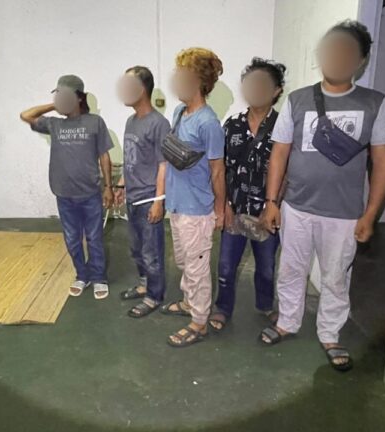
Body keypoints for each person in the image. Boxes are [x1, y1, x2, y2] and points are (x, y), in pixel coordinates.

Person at [260, 20, 385, 372]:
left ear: (361, 60)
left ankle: (330, 333)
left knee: (336, 277)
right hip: (296, 206)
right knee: (291, 269)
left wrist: (370, 214)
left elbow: (383, 161)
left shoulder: (374, 103)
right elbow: (279, 152)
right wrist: (272, 202)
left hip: (344, 212)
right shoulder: (298, 100)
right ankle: (287, 321)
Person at [208, 58, 286, 332]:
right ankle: (222, 308)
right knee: (226, 266)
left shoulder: (283, 126)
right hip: (236, 207)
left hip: (267, 210)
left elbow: (287, 171)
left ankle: (265, 305)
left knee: (266, 267)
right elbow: (222, 168)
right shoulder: (232, 125)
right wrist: (225, 206)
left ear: (276, 91)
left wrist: (273, 206)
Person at [20, 75, 114, 300]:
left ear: (79, 98)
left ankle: (99, 277)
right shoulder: (54, 124)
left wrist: (108, 187)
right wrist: (54, 105)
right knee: (72, 239)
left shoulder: (95, 122)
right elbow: (26, 115)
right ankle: (82, 275)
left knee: (94, 238)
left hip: (90, 193)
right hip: (63, 194)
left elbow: (104, 156)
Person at [160, 48, 226, 347]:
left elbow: (218, 170)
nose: (175, 80)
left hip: (197, 209)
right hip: (177, 203)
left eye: (181, 74)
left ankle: (199, 322)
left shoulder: (208, 123)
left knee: (197, 268)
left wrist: (219, 210)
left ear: (198, 81)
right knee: (184, 261)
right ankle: (189, 302)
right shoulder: (179, 112)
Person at [114, 66, 171, 318]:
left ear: (143, 89)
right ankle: (144, 284)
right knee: (136, 249)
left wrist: (159, 201)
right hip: (133, 196)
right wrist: (121, 184)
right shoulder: (131, 121)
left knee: (151, 253)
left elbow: (164, 164)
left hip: (149, 197)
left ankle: (154, 296)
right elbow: (131, 157)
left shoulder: (159, 123)